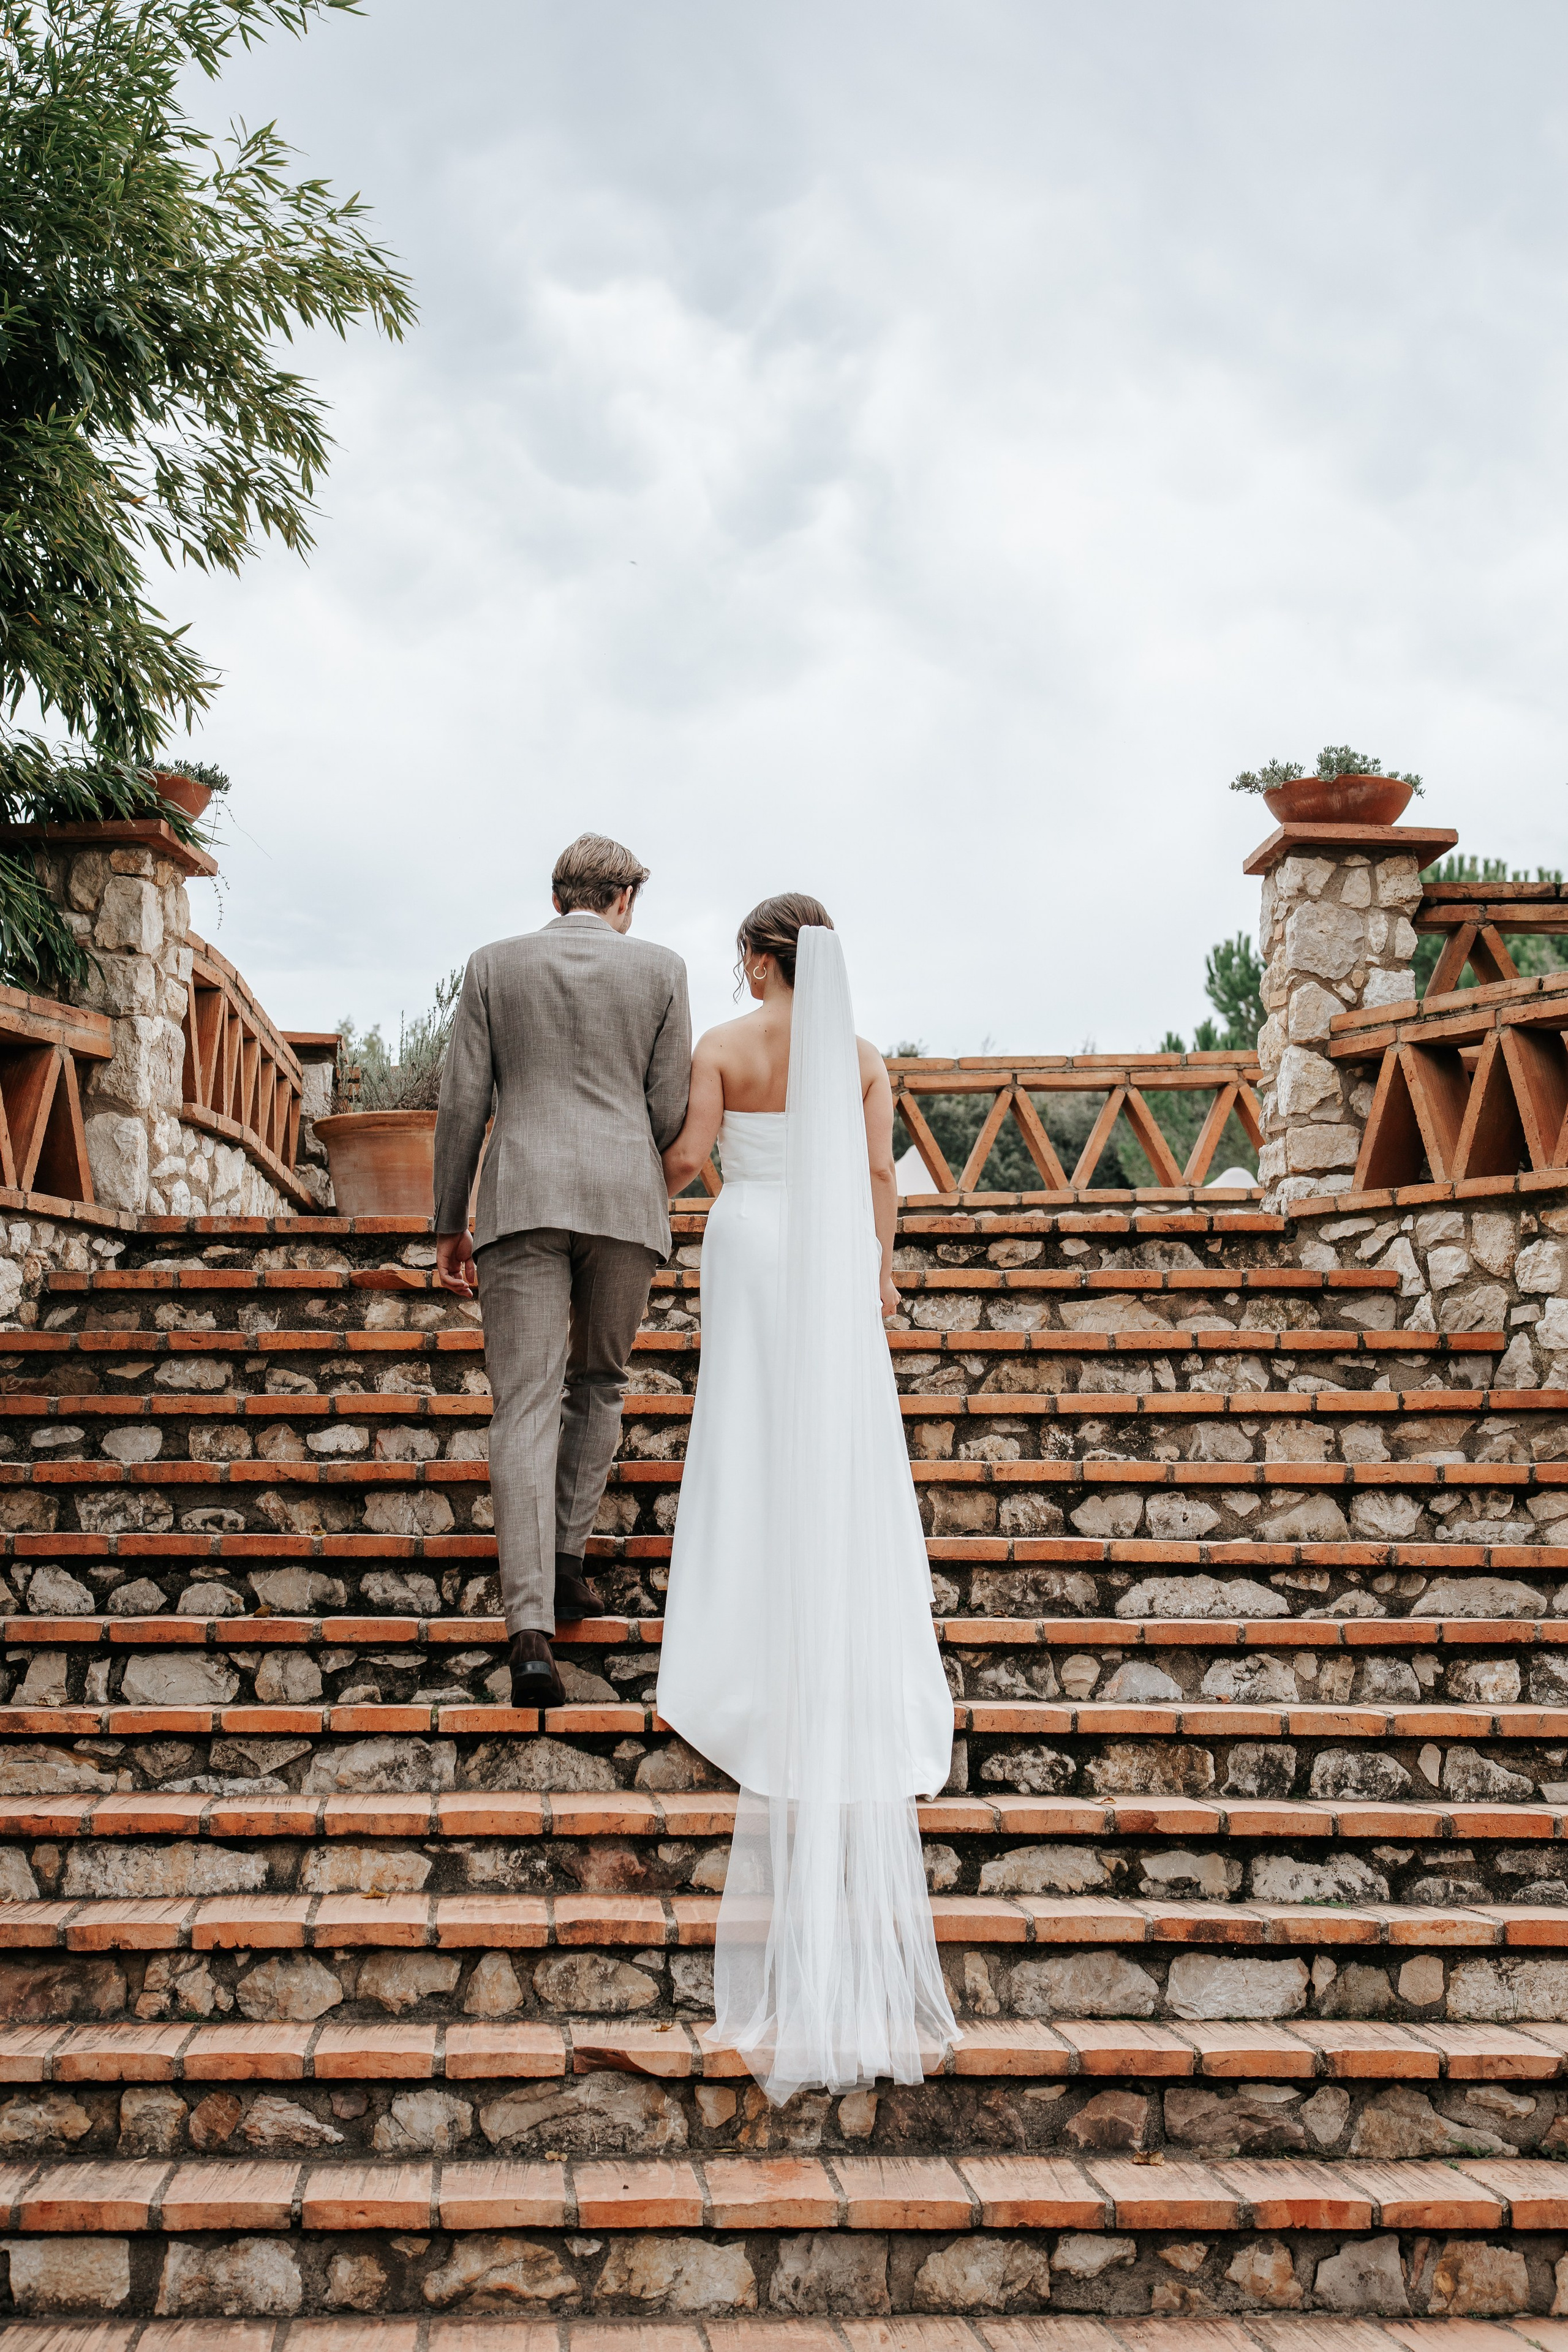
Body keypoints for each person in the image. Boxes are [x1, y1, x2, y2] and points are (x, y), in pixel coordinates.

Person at [656, 895, 960, 2105]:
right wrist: (883, 1274)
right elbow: (879, 1179)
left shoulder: (723, 1047)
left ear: (751, 960)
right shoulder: (866, 1060)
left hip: (748, 1243)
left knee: (744, 1426)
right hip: (829, 1254)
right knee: (828, 1433)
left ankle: (738, 1602)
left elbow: (688, 1159)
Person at [432, 833, 692, 1710]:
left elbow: (464, 1100)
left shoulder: (493, 966)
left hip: (522, 1201)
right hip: (625, 1203)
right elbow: (668, 1108)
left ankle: (531, 1629)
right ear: (623, 900)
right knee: (600, 1381)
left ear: (557, 898)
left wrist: (447, 1226)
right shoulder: (660, 970)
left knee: (524, 1401)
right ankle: (571, 1560)